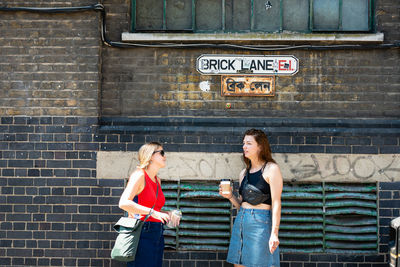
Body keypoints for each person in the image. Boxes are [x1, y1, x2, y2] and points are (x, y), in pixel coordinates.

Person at [219, 129, 283, 267]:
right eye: (243, 143)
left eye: (249, 143)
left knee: (261, 263)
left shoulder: (271, 169)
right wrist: (230, 196)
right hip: (241, 221)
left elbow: (276, 202)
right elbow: (241, 204)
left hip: (260, 223)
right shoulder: (244, 173)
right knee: (239, 264)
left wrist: (274, 233)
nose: (244, 147)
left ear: (260, 146)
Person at [118, 142, 180, 267]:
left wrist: (168, 214)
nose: (165, 156)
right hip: (142, 232)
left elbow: (154, 209)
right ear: (151, 155)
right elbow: (123, 203)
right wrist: (153, 212)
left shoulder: (157, 180)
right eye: (161, 153)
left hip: (157, 232)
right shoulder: (139, 175)